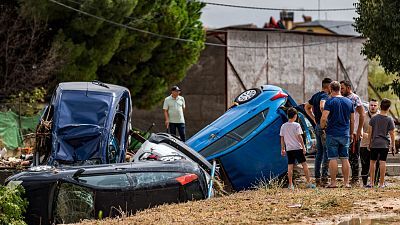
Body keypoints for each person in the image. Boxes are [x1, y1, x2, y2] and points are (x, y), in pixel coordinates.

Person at [320, 81, 354, 188]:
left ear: (330, 89)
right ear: (340, 88)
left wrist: (322, 127)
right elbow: (352, 120)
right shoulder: (349, 102)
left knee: (333, 158)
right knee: (345, 158)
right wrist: (351, 133)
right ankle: (346, 183)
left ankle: (333, 183)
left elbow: (324, 117)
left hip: (332, 133)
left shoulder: (330, 102)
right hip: (345, 133)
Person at [305, 77, 332, 186]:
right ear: (329, 87)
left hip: (317, 126)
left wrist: (314, 118)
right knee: (326, 153)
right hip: (323, 127)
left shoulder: (315, 95)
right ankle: (324, 179)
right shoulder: (325, 96)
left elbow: (306, 107)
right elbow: (322, 105)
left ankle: (317, 178)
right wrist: (323, 120)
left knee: (319, 153)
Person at [280, 107, 315, 190]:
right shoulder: (297, 125)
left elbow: (282, 138)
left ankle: (290, 184)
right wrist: (303, 147)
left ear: (288, 115)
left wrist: (282, 148)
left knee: (290, 165)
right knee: (304, 164)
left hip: (289, 148)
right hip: (297, 147)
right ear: (295, 115)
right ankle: (308, 182)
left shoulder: (283, 126)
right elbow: (300, 137)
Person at [340, 80, 365, 185]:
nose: (341, 90)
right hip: (345, 131)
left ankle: (355, 179)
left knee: (354, 155)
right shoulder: (342, 98)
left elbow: (362, 114)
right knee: (348, 156)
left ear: (348, 88)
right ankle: (351, 178)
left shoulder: (354, 98)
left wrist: (359, 130)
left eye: (342, 88)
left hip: (354, 132)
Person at [367, 99, 396, 188]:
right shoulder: (389, 119)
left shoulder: (374, 118)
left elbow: (370, 132)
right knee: (382, 162)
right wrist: (393, 145)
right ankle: (381, 183)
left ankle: (371, 183)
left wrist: (369, 143)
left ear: (380, 106)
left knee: (372, 162)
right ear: (388, 108)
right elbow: (392, 133)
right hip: (384, 144)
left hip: (375, 143)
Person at [360, 99, 380, 186]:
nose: (373, 107)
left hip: (377, 145)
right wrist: (363, 134)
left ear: (377, 106)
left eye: (375, 105)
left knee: (377, 164)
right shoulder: (363, 115)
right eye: (371, 105)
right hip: (364, 144)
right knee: (365, 165)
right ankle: (364, 183)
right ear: (369, 106)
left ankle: (375, 183)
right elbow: (359, 127)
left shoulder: (381, 116)